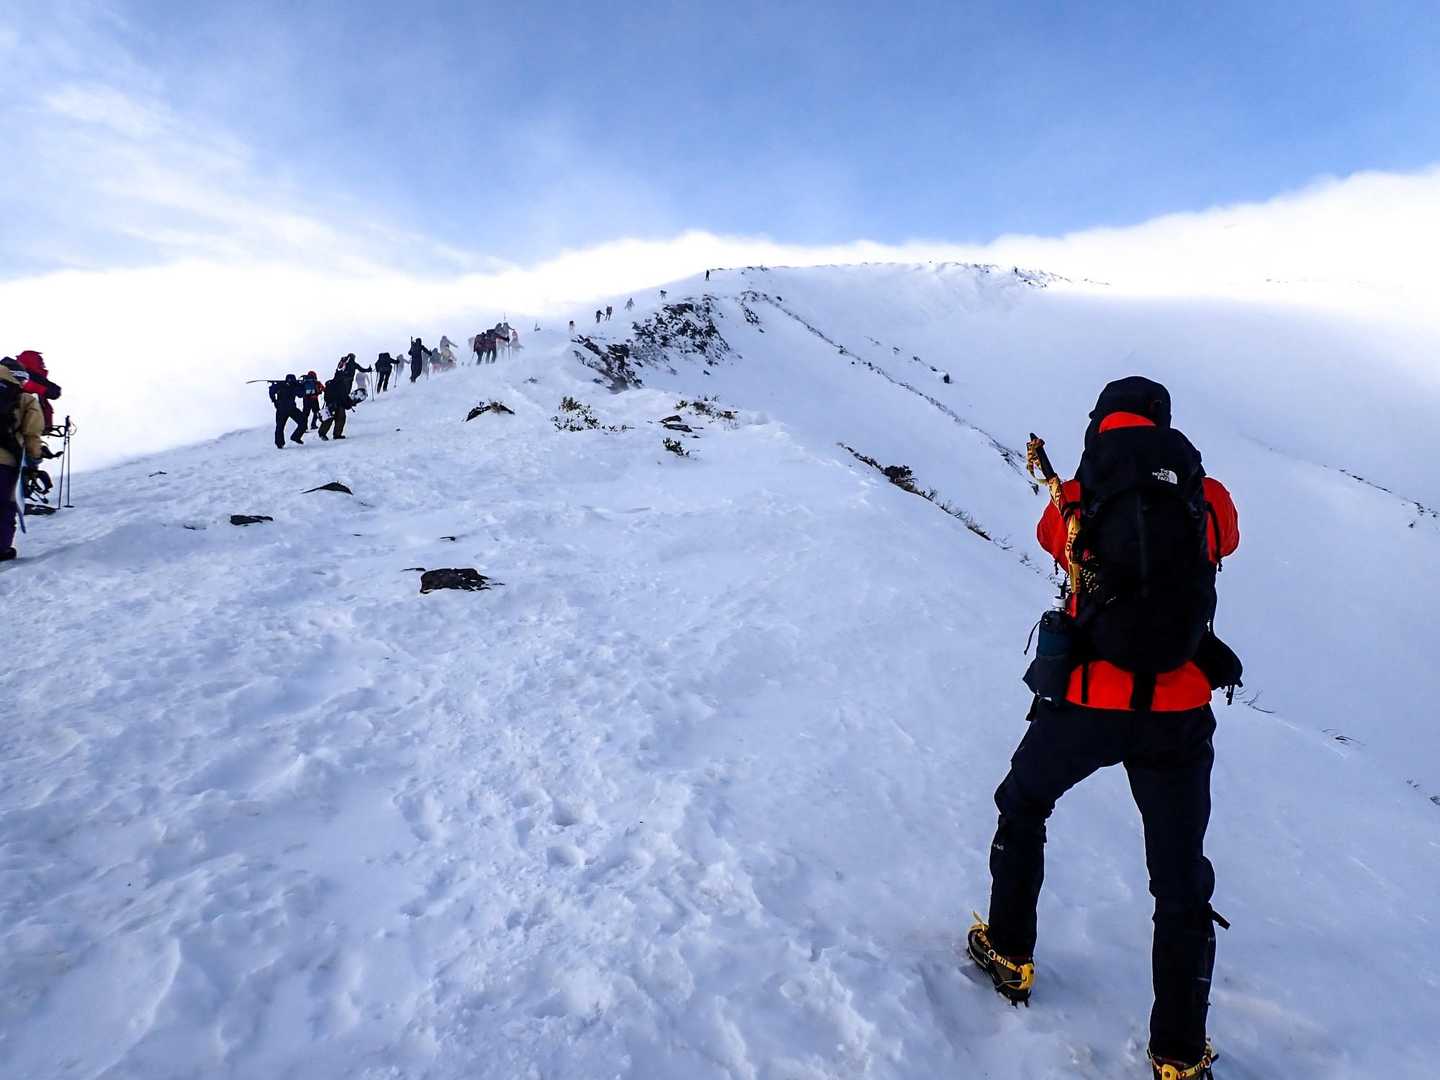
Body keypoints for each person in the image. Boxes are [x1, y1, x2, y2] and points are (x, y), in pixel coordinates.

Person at [969, 377, 1240, 1080]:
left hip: (1088, 701)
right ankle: (1178, 1055)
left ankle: (1010, 953)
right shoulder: (1205, 496)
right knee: (1179, 881)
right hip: (1178, 713)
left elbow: (1050, 540)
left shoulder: (1077, 496)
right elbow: (1228, 539)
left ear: (1100, 425)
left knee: (1024, 802)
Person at [0, 366, 46, 561]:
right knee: (5, 506)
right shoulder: (25, 399)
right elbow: (31, 433)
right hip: (6, 462)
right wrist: (34, 459)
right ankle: (1, 549)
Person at [13, 350, 61, 430]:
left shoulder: (35, 379)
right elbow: (54, 392)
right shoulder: (26, 377)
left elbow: (55, 392)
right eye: (40, 362)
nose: (43, 365)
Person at [268, 374, 306, 449]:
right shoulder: (294, 386)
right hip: (290, 409)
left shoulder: (280, 385)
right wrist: (301, 385)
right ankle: (295, 437)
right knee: (303, 421)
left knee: (280, 426)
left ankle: (280, 443)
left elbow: (271, 391)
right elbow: (301, 394)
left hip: (283, 409)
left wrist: (274, 400)